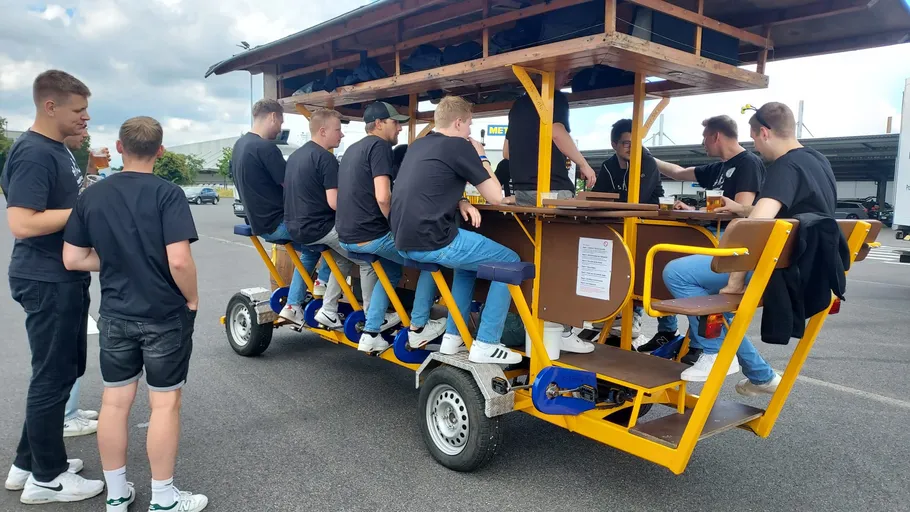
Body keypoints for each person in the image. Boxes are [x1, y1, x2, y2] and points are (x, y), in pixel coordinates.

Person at [62, 116, 208, 511]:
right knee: (164, 404)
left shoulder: (91, 196)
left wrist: (115, 261)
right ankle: (163, 499)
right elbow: (179, 261)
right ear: (160, 151)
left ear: (120, 147)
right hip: (163, 315)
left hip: (115, 315)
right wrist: (192, 300)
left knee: (114, 403)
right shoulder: (168, 194)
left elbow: (73, 258)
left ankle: (116, 494)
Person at [663, 101, 834, 394]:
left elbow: (754, 231)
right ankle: (760, 375)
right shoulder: (819, 162)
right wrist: (744, 210)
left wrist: (735, 281)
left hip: (777, 271)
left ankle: (714, 352)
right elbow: (783, 214)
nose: (754, 145)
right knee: (717, 306)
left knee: (677, 272)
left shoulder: (785, 166)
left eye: (754, 138)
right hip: (807, 268)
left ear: (765, 132)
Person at [1, 69, 104, 505]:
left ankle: (28, 463)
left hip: (61, 275)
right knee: (53, 375)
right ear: (50, 106)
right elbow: (22, 223)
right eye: (78, 110)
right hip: (46, 278)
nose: (85, 118)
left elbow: (66, 197)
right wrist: (85, 210)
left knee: (61, 371)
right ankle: (47, 478)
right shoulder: (33, 153)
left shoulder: (59, 150)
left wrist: (89, 178)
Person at [391, 96, 526, 364]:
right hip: (434, 240)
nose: (470, 132)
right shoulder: (458, 146)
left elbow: (428, 186)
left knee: (466, 266)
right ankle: (487, 343)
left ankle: (454, 337)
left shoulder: (418, 146)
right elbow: (496, 196)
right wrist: (481, 154)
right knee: (510, 261)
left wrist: (460, 200)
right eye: (469, 126)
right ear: (459, 122)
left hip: (403, 239)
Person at [645, 115, 765, 356]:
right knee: (672, 266)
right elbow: (678, 172)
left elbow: (740, 209)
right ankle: (693, 342)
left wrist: (699, 211)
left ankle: (705, 347)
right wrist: (647, 157)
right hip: (708, 237)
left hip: (728, 243)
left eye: (704, 138)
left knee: (682, 277)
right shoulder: (719, 167)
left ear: (716, 136)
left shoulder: (748, 163)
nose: (702, 143)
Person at [336, 101, 447, 353]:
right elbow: (383, 196)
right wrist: (397, 227)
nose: (399, 128)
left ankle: (371, 332)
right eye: (395, 122)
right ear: (378, 124)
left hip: (347, 234)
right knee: (432, 260)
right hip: (370, 234)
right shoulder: (380, 146)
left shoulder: (354, 149)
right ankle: (419, 327)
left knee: (391, 271)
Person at [283, 109, 389, 331]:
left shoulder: (295, 156)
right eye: (338, 130)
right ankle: (373, 317)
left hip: (295, 227)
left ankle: (328, 310)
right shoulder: (326, 158)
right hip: (320, 227)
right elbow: (334, 202)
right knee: (366, 259)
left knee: (342, 258)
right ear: (323, 131)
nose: (341, 135)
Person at [231, 99, 329, 321]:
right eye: (281, 121)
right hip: (278, 222)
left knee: (311, 247)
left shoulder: (240, 146)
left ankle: (295, 303)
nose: (280, 127)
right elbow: (292, 186)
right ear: (273, 116)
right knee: (333, 238)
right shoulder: (266, 148)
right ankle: (321, 290)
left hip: (259, 222)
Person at [592, 119, 668, 342]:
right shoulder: (608, 165)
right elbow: (599, 196)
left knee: (644, 273)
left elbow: (639, 200)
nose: (631, 148)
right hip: (618, 225)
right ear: (614, 144)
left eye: (635, 142)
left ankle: (645, 319)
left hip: (648, 226)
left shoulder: (647, 162)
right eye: (626, 143)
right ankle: (612, 311)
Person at [58, 130, 102, 437]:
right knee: (59, 353)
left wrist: (91, 168)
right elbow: (21, 221)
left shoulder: (66, 157)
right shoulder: (41, 154)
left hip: (71, 274)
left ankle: (70, 408)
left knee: (74, 347)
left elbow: (81, 194)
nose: (85, 126)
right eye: (80, 116)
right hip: (54, 275)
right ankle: (64, 416)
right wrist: (86, 214)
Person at [503, 73, 596, 205]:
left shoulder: (517, 105)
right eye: (563, 73)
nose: (566, 77)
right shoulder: (554, 98)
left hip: (522, 192)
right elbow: (557, 131)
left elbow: (506, 153)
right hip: (553, 188)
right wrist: (583, 164)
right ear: (548, 74)